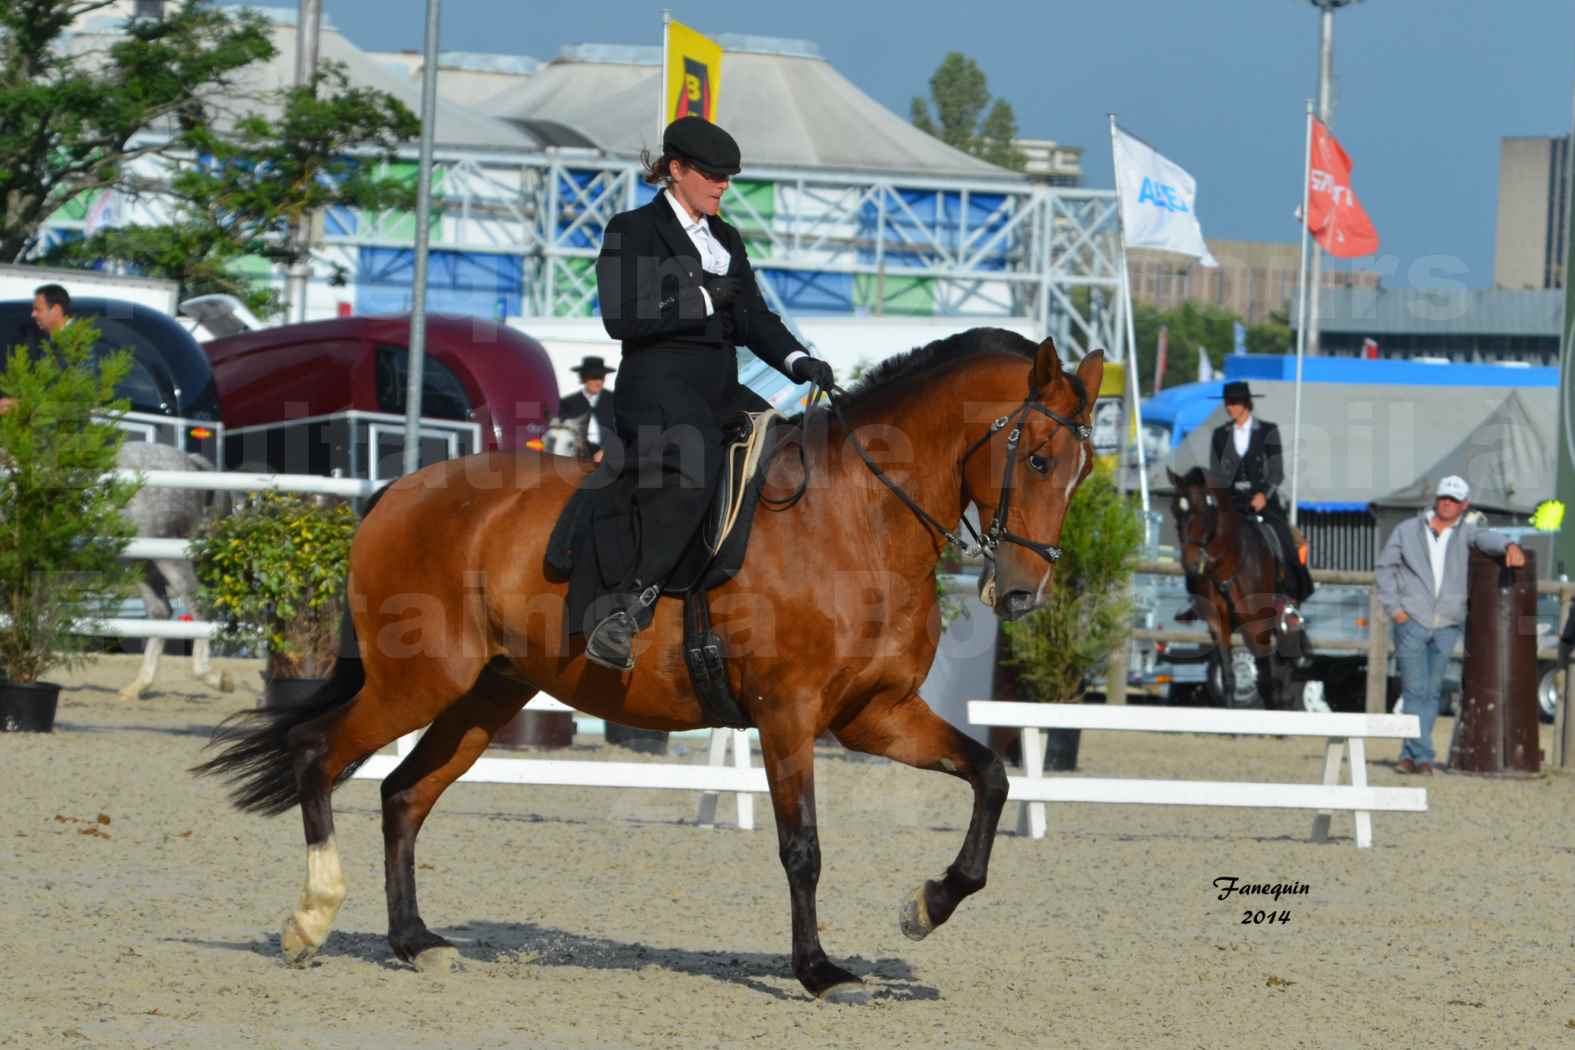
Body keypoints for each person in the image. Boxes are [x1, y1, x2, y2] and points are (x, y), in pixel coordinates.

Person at [588, 116, 833, 671]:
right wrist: (700, 299)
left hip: (719, 383)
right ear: (676, 170)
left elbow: (753, 318)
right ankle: (629, 606)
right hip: (656, 382)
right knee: (696, 458)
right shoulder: (631, 229)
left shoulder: (726, 237)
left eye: (728, 178)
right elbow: (621, 317)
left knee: (787, 448)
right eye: (712, 176)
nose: (723, 186)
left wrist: (798, 360)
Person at [1375, 475, 1526, 775]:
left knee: (1432, 692)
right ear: (1436, 499)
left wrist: (1509, 543)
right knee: (1414, 689)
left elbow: (1488, 537)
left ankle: (1411, 755)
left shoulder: (1468, 533)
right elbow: (1385, 568)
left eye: (1454, 500)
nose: (1447, 503)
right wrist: (1396, 609)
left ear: (1464, 505)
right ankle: (1423, 755)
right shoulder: (1407, 531)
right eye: (1444, 497)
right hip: (1412, 620)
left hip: (1447, 623)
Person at [1177, 380, 1313, 622]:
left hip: (1262, 500)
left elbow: (1276, 472)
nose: (1229, 408)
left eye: (1233, 403)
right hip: (1230, 503)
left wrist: (1264, 494)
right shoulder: (1220, 435)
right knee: (1198, 539)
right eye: (1227, 403)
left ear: (1245, 404)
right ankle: (1197, 599)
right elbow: (1216, 474)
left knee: (1284, 539)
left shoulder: (1268, 431)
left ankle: (1291, 595)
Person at [556, 356, 617, 460]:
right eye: (594, 377)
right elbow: (562, 432)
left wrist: (606, 451)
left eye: (601, 378)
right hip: (576, 457)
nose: (598, 382)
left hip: (610, 457)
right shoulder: (568, 403)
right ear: (583, 378)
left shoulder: (615, 401)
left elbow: (622, 432)